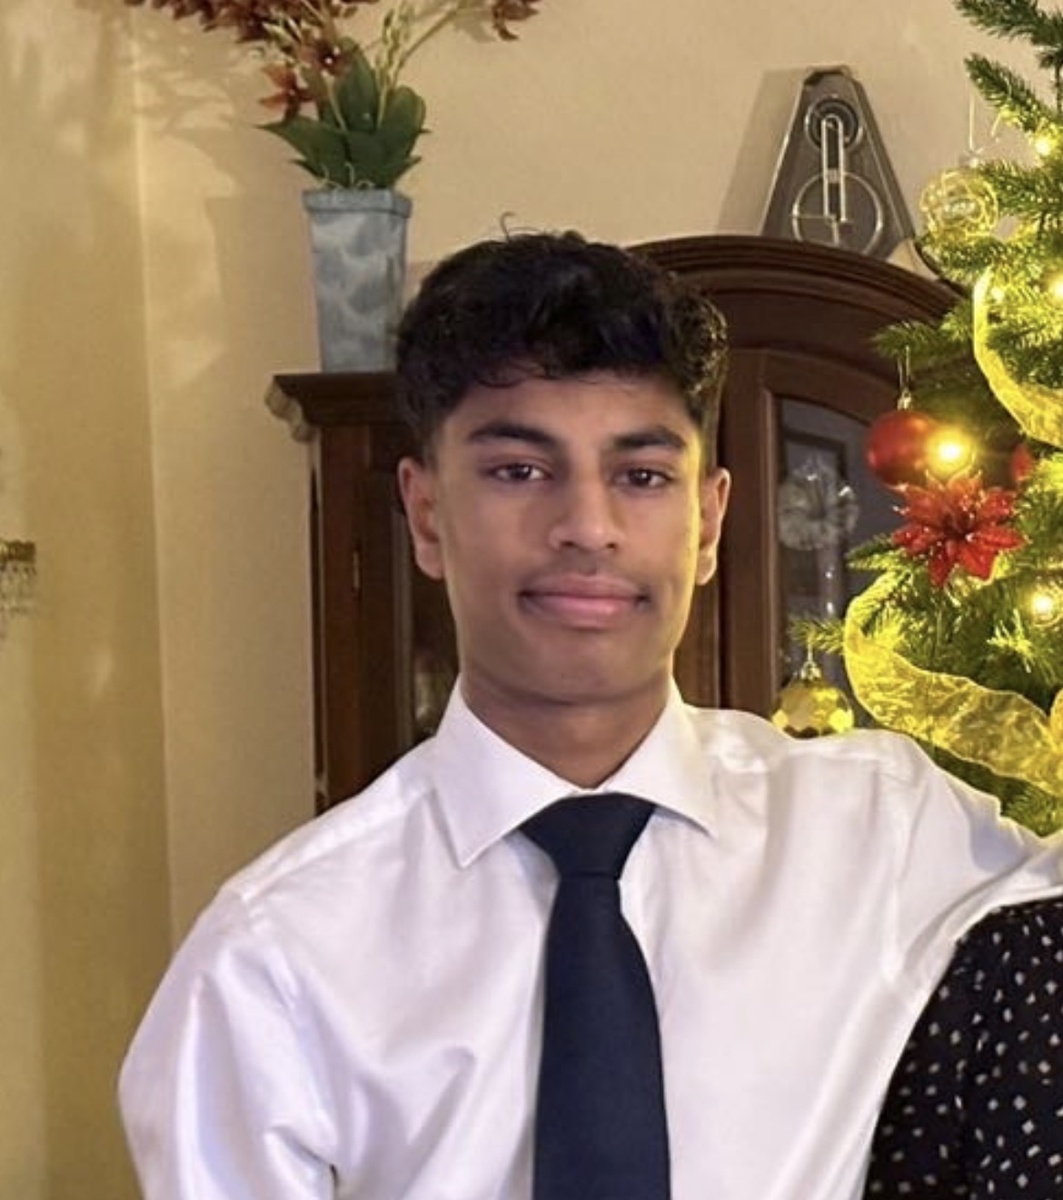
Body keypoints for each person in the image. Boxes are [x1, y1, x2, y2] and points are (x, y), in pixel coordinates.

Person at [119, 230, 1063, 1199]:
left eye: (641, 476)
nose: (586, 527)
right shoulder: (273, 959)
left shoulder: (879, 829)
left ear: (708, 520)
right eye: (519, 471)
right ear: (426, 513)